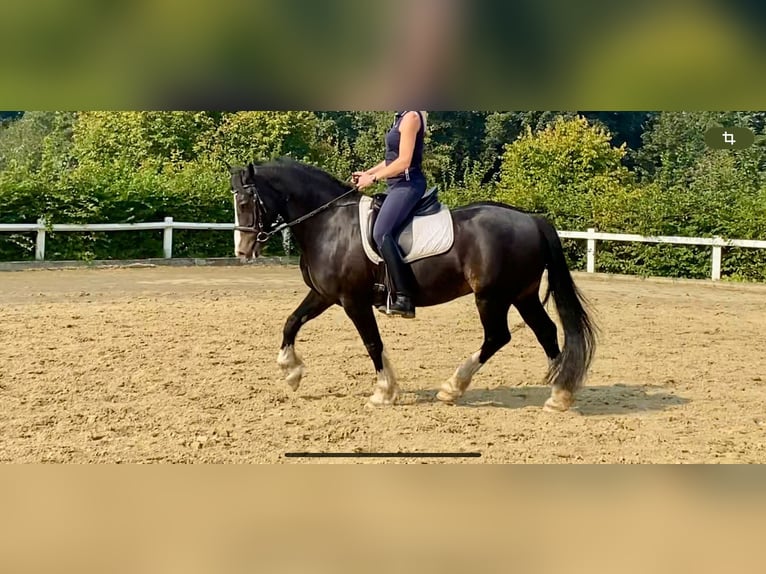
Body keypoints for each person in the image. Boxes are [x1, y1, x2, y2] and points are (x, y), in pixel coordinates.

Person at [353, 110, 427, 319]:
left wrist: (373, 179)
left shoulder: (412, 117)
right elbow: (390, 161)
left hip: (408, 184)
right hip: (395, 185)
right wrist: (368, 173)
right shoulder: (400, 118)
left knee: (381, 232)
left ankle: (404, 296)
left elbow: (403, 162)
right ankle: (381, 287)